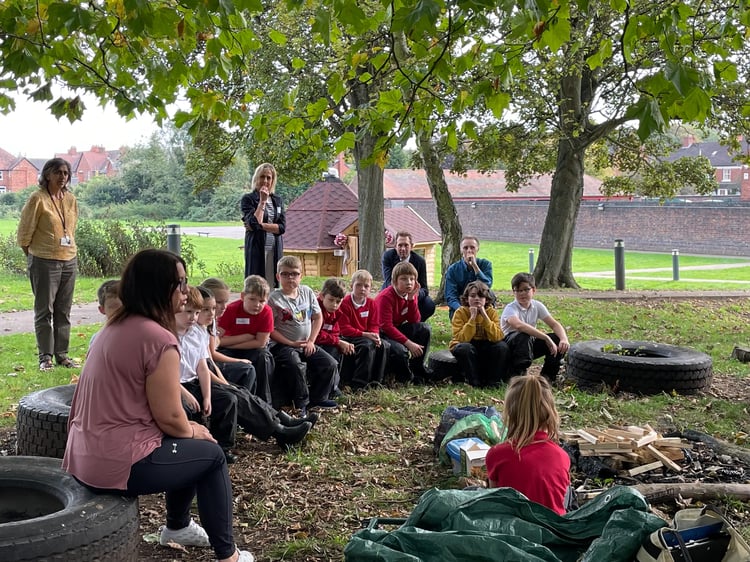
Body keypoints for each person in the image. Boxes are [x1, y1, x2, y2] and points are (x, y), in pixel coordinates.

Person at [61, 249, 254, 562]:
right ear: (158, 288)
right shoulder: (157, 338)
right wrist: (192, 429)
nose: (184, 292)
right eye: (179, 283)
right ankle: (228, 555)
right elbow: (170, 417)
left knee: (190, 444)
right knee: (212, 455)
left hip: (82, 456)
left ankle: (178, 527)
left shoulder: (116, 327)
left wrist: (187, 429)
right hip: (115, 463)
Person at [187, 288, 315, 453]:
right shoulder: (192, 331)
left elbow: (208, 362)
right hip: (195, 381)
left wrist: (225, 382)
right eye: (205, 309)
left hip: (205, 374)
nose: (216, 310)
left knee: (241, 389)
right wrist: (224, 383)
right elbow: (206, 363)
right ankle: (279, 430)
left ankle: (280, 422)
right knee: (235, 391)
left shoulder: (200, 329)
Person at [17, 157, 80, 371]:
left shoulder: (70, 199)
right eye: (58, 172)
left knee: (64, 310)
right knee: (45, 310)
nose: (62, 177)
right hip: (44, 260)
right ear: (47, 175)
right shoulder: (38, 198)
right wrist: (35, 254)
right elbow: (24, 232)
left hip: (69, 259)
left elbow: (71, 228)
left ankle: (62, 355)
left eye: (65, 173)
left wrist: (67, 249)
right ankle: (45, 357)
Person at [485, 374, 570, 515]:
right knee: (569, 493)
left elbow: (496, 500)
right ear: (550, 413)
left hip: (514, 528)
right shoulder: (562, 456)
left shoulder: (496, 454)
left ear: (510, 414)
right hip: (554, 529)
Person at [268, 256, 337, 414]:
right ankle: (301, 404)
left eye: (294, 274)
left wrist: (311, 341)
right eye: (285, 274)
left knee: (330, 363)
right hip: (283, 345)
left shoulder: (306, 292)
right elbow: (270, 329)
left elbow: (318, 317)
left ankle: (319, 398)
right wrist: (290, 343)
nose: (290, 278)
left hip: (307, 343)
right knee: (295, 365)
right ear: (278, 277)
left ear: (301, 276)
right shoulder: (274, 298)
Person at [216, 275, 276, 404]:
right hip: (229, 349)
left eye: (261, 301)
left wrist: (230, 342)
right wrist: (245, 337)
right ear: (243, 296)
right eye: (252, 299)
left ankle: (265, 402)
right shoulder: (231, 310)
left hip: (253, 349)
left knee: (264, 358)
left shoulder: (266, 312)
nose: (257, 305)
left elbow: (260, 343)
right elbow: (217, 341)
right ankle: (241, 401)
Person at [500, 272, 570, 381]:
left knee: (556, 339)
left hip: (529, 344)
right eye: (518, 290)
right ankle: (519, 377)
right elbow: (519, 325)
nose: (522, 293)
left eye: (526, 289)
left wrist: (564, 339)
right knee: (523, 335)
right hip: (510, 346)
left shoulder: (537, 306)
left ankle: (547, 378)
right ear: (513, 292)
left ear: (533, 290)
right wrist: (545, 338)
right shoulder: (510, 308)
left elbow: (554, 324)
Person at [375, 261, 431, 384]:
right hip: (381, 333)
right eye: (404, 279)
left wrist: (411, 300)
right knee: (400, 350)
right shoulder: (385, 297)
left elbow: (415, 321)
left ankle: (417, 368)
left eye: (412, 279)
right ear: (395, 281)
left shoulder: (410, 294)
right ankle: (406, 377)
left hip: (396, 328)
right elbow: (386, 327)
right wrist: (409, 343)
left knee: (424, 328)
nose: (409, 282)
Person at [449, 281, 509, 387]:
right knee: (464, 348)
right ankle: (474, 381)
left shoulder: (491, 312)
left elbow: (498, 337)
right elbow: (461, 338)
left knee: (502, 347)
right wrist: (472, 318)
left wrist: (485, 317)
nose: (477, 299)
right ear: (467, 299)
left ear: (486, 299)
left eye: (481, 296)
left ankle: (493, 381)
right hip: (466, 344)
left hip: (485, 344)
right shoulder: (460, 312)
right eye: (472, 296)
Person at [198, 285, 256, 393]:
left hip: (211, 364)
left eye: (226, 302)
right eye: (219, 302)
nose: (224, 307)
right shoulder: (204, 324)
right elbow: (212, 356)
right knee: (247, 369)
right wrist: (238, 360)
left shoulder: (211, 321)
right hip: (208, 366)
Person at [338, 269, 389, 390]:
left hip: (366, 335)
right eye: (359, 285)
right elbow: (344, 329)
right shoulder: (345, 303)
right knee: (366, 346)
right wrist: (366, 334)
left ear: (370, 288)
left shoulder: (371, 303)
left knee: (384, 345)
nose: (362, 289)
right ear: (351, 286)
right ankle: (359, 383)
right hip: (350, 336)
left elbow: (374, 324)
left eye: (366, 286)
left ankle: (376, 381)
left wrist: (375, 335)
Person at [241, 163, 285, 289]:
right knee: (256, 284)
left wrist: (261, 225)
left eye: (268, 178)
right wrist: (262, 201)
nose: (265, 181)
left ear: (273, 180)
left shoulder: (278, 200)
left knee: (273, 284)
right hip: (257, 248)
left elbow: (282, 228)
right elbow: (254, 224)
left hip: (274, 248)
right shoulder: (248, 199)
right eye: (262, 177)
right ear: (256, 178)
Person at [381, 231, 436, 321]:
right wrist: (402, 296)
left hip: (412, 293)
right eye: (400, 245)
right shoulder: (388, 256)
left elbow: (424, 289)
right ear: (395, 246)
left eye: (406, 245)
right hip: (392, 291)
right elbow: (388, 281)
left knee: (428, 304)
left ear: (412, 246)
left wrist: (414, 294)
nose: (403, 248)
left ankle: (416, 324)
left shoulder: (419, 261)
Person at [314, 277, 354, 397]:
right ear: (322, 296)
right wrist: (338, 342)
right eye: (331, 300)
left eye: (338, 301)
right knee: (333, 351)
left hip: (327, 341)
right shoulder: (316, 310)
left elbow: (335, 331)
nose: (334, 305)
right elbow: (316, 334)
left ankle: (335, 385)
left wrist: (338, 342)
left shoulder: (337, 312)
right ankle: (329, 389)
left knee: (339, 349)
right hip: (313, 343)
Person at [444, 235, 493, 319]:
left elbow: (487, 285)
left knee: (491, 294)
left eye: (472, 247)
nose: (469, 250)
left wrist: (475, 266)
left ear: (477, 249)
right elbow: (450, 296)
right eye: (465, 248)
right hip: (461, 305)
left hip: (481, 305)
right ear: (461, 250)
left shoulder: (485, 264)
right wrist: (463, 310)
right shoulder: (453, 269)